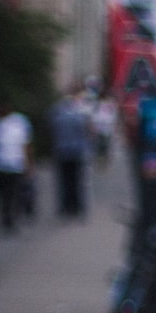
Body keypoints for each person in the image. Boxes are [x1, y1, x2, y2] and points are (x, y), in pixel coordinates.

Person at [0, 102, 32, 233]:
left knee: (13, 194)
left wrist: (28, 163)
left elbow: (26, 144)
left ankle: (11, 218)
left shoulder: (19, 122)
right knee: (2, 194)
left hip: (15, 164)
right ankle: (5, 217)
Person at [48, 89, 91, 219]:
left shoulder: (56, 113)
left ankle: (65, 207)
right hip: (77, 152)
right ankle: (78, 207)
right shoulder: (78, 114)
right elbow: (85, 130)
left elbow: (51, 129)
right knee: (77, 181)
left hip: (62, 152)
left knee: (64, 181)